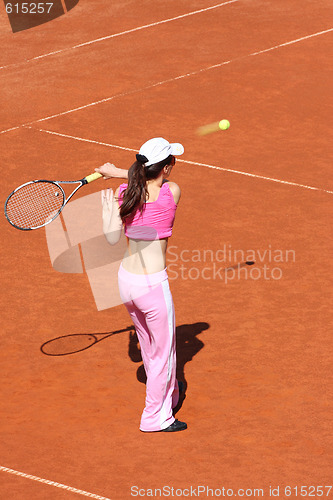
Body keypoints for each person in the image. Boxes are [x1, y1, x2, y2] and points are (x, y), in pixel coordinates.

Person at [95, 138, 187, 432]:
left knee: (147, 345)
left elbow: (111, 239)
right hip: (152, 287)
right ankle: (155, 418)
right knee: (163, 352)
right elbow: (153, 181)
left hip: (127, 283)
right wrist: (120, 171)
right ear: (168, 166)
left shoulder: (125, 193)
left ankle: (169, 395)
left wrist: (109, 210)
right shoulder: (172, 192)